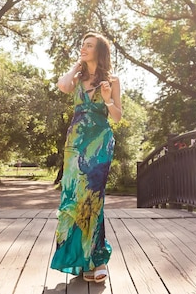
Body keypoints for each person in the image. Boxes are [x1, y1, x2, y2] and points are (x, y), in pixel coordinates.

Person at [50, 31, 122, 283]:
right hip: (76, 143)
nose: (83, 48)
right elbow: (62, 85)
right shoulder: (77, 79)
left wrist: (107, 100)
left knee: (93, 196)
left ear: (99, 51)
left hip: (99, 142)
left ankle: (98, 259)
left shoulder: (112, 80)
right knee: (73, 196)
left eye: (89, 46)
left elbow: (116, 116)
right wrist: (75, 66)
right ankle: (81, 259)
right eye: (82, 45)